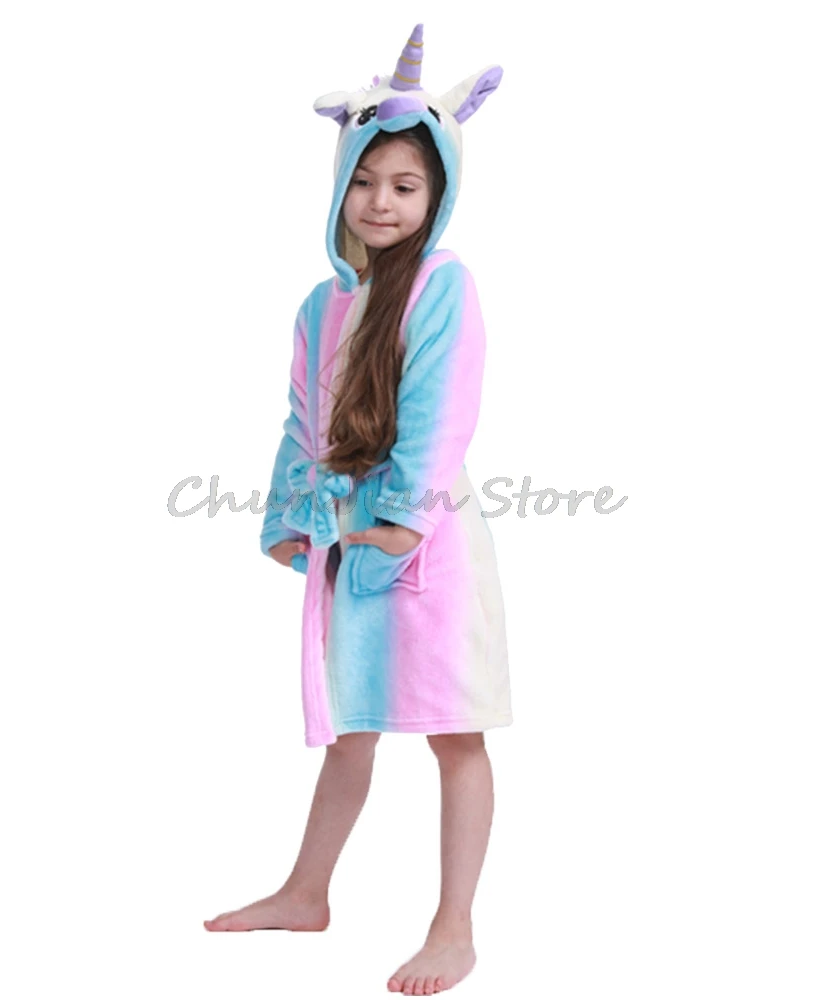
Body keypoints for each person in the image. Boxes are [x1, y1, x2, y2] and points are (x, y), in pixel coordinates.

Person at [205, 25, 512, 996]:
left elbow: (440, 415)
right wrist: (289, 519)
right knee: (349, 728)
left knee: (454, 732)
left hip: (426, 545)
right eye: (366, 181)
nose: (382, 201)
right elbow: (302, 420)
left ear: (436, 196)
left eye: (405, 186)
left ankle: (454, 926)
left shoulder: (443, 286)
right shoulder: (319, 306)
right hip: (347, 539)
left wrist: (401, 522)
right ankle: (306, 891)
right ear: (340, 186)